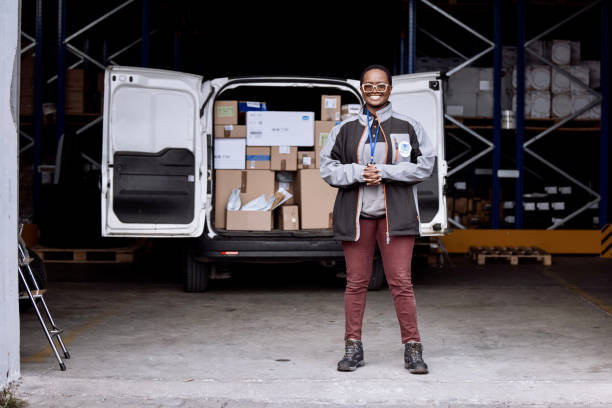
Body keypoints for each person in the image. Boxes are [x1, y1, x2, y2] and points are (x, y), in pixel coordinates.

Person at [320, 64, 436, 374]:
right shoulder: (343, 128)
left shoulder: (408, 125)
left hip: (396, 217)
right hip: (357, 217)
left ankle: (413, 348)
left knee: (401, 282)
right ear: (361, 88)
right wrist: (359, 172)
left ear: (390, 89)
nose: (375, 91)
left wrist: (385, 172)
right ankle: (352, 347)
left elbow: (425, 165)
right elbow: (327, 168)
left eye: (380, 85)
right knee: (356, 283)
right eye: (369, 86)